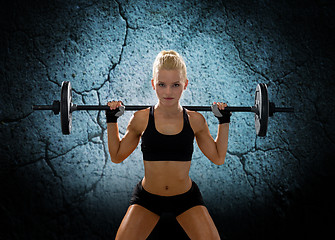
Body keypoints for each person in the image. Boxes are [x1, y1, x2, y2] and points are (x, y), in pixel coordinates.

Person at [106, 50, 231, 240]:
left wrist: (224, 122)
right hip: (148, 198)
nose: (168, 92)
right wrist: (111, 120)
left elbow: (218, 158)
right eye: (162, 85)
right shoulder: (141, 119)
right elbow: (116, 156)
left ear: (185, 85)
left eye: (175, 85)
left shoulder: (195, 120)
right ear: (153, 85)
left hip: (186, 198)